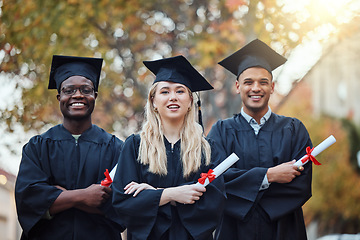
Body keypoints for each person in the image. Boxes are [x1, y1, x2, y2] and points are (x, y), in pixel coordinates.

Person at [112, 55, 226, 240]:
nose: (173, 97)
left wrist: (153, 195)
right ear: (154, 102)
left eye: (180, 91)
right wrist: (173, 194)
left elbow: (214, 204)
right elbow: (123, 203)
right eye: (165, 92)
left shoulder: (207, 150)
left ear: (190, 101)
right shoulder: (135, 146)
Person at [207, 39, 313, 240]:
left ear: (272, 87)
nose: (256, 88)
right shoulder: (221, 131)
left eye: (263, 82)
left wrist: (245, 189)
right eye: (248, 82)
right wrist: (269, 176)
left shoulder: (294, 129)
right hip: (234, 232)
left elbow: (302, 186)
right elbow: (216, 181)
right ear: (238, 86)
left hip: (283, 231)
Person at [15, 55, 125, 239]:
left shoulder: (116, 148)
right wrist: (83, 196)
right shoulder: (37, 147)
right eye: (69, 90)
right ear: (59, 97)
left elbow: (122, 205)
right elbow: (29, 201)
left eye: (86, 89)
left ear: (94, 96)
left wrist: (58, 196)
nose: (78, 95)